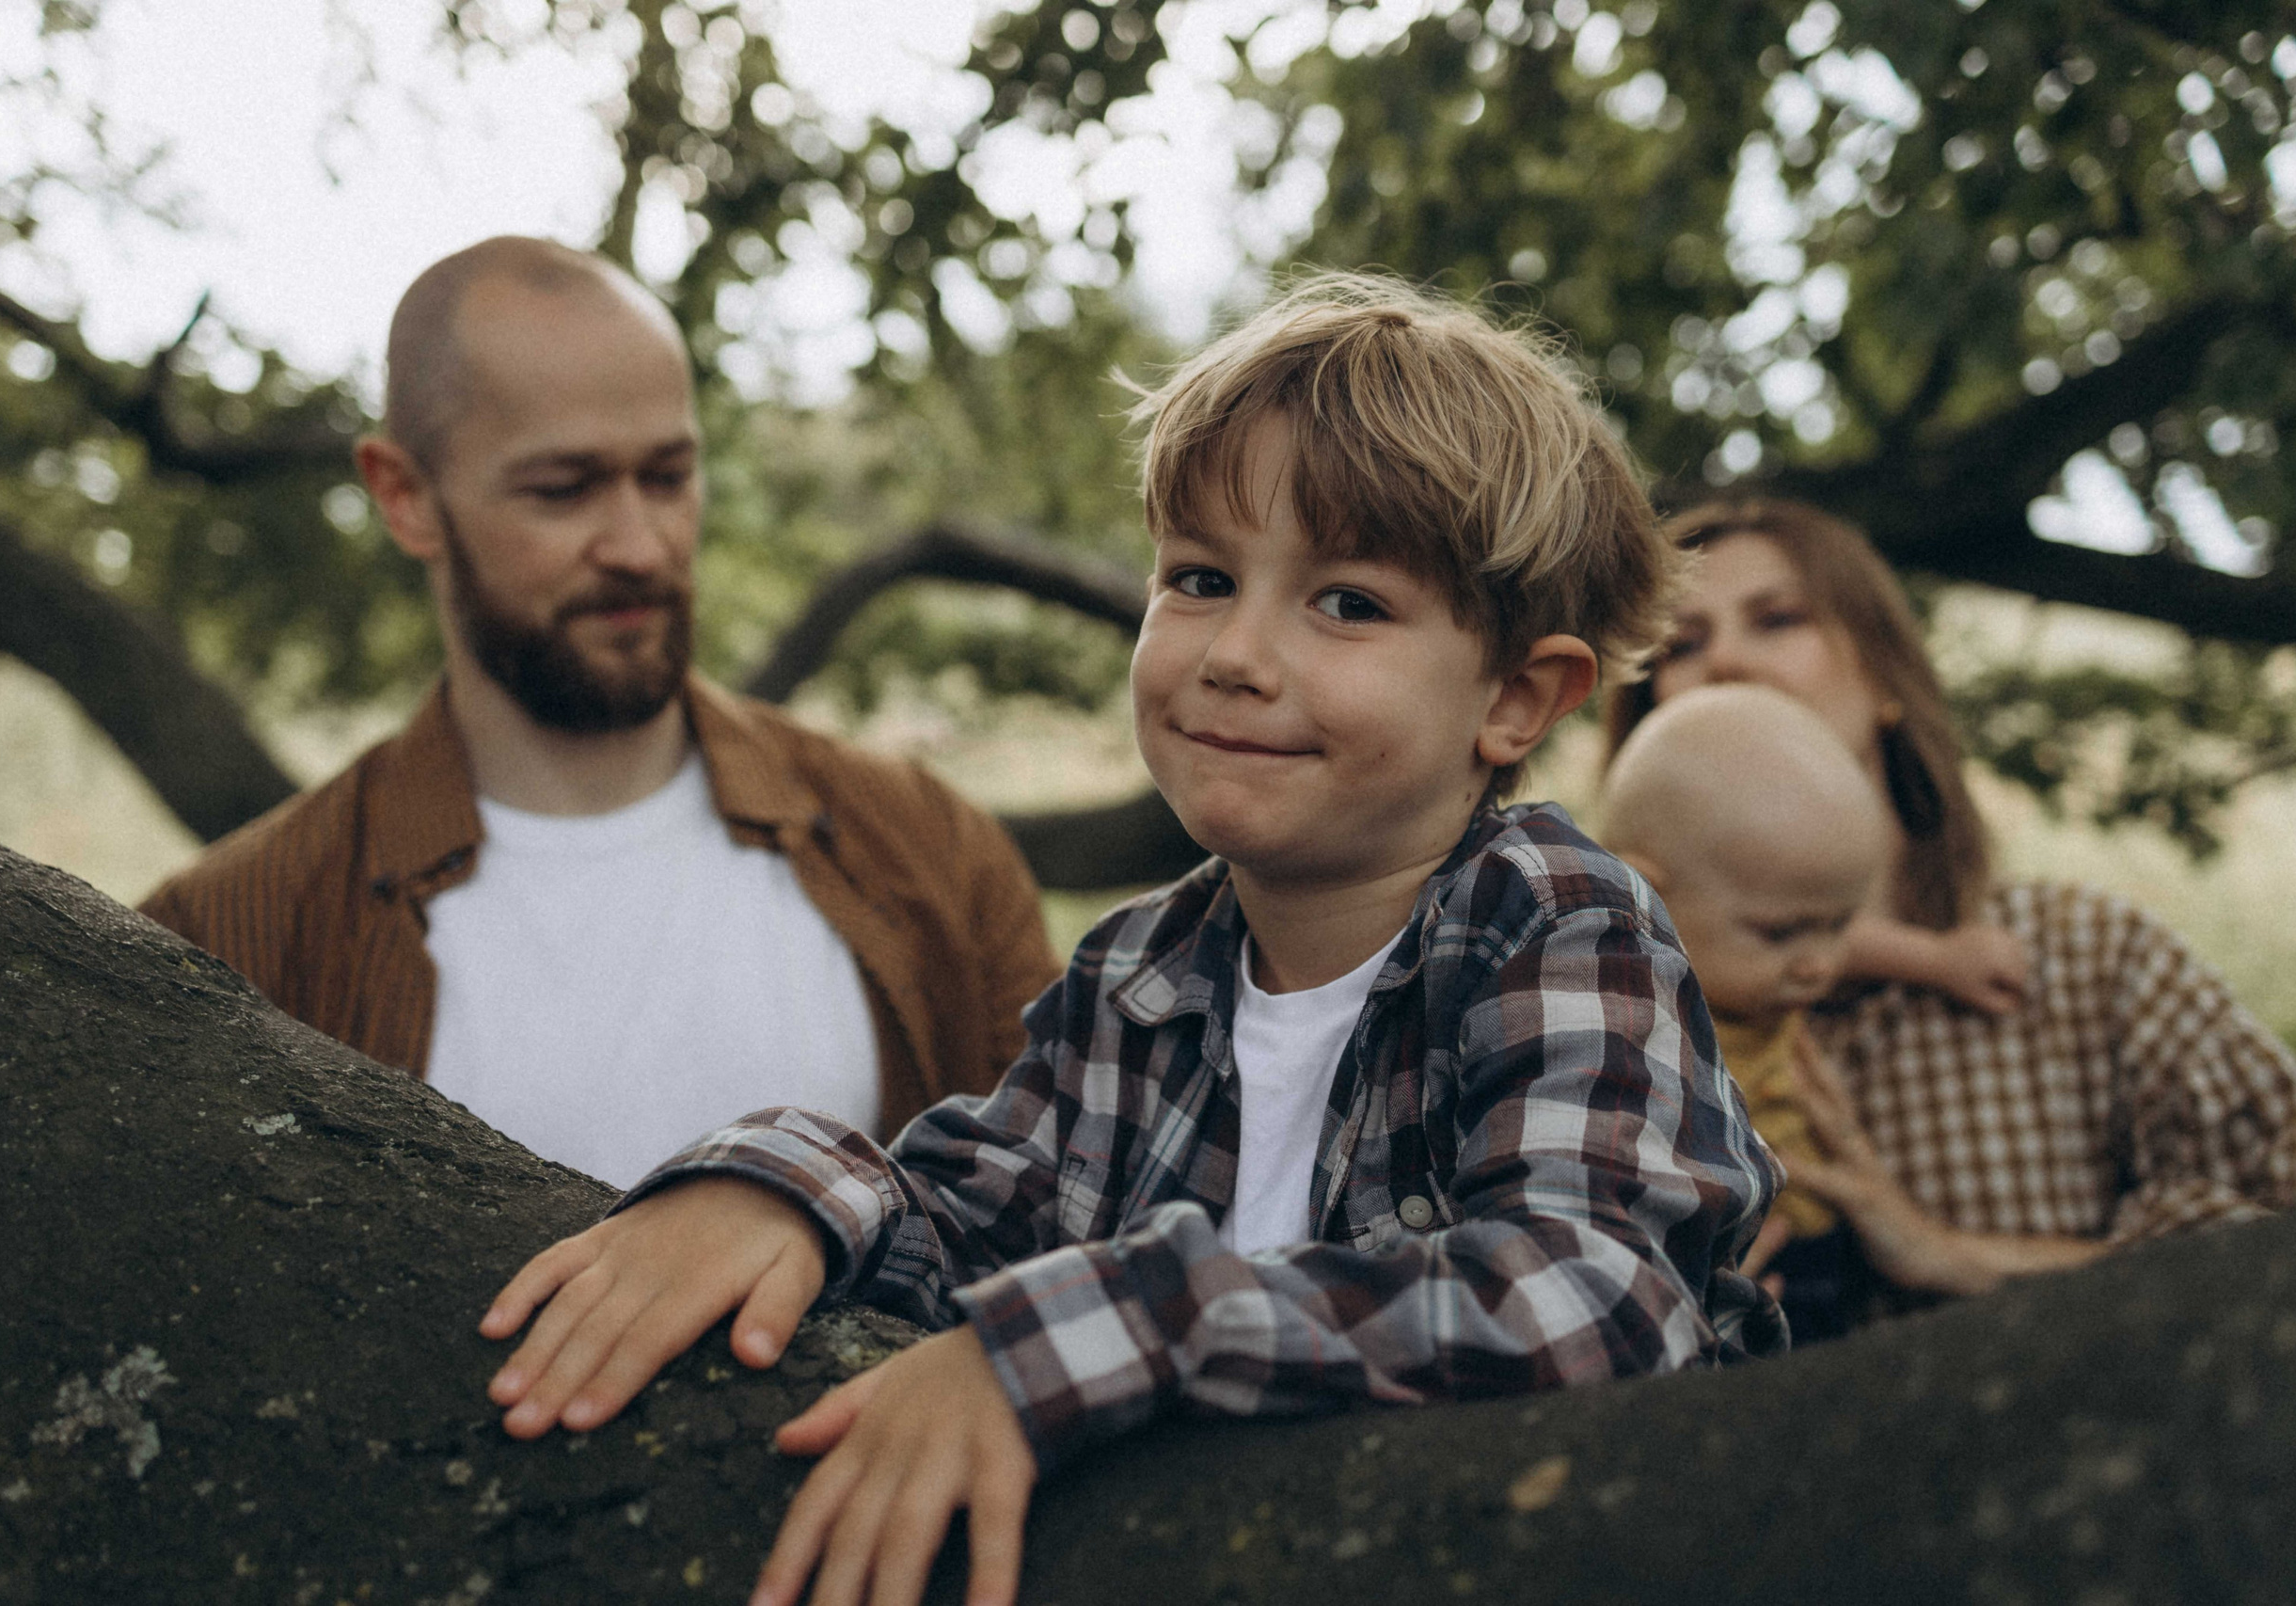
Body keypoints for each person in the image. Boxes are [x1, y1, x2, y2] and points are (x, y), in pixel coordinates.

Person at [478, 275, 1782, 1606]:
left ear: (1516, 695)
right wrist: (775, 1187)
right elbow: (970, 1210)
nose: (1236, 653)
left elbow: (1592, 1300)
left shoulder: (1556, 924)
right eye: (1201, 579)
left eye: (1347, 604)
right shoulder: (1142, 970)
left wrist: (1108, 1327)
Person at [139, 238, 1060, 1186]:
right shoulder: (227, 941)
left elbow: (1060, 1238)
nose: (638, 545)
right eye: (563, 489)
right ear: (407, 497)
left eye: (667, 477)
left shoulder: (932, 856)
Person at [1606, 497, 2296, 1312]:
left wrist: (1963, 1257)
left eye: (1778, 620)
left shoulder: (2081, 957)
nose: (1727, 663)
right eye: (1683, 643)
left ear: (1887, 675)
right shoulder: (1615, 1001)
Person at [1595, 682, 1890, 1342]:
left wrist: (1944, 958)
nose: (1821, 963)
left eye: (1839, 924)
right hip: (1719, 1256)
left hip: (1821, 1240)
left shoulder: (1760, 968)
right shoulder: (1635, 1013)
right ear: (1642, 895)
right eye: (1783, 934)